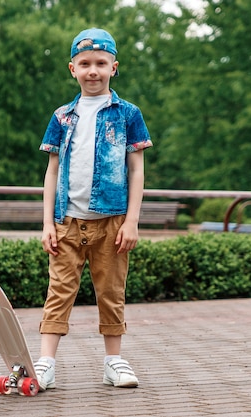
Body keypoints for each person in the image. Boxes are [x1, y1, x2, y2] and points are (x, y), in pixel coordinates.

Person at [34, 28, 153, 390]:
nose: (93, 71)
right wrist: (48, 223)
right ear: (72, 68)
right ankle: (45, 363)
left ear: (114, 67)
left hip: (112, 225)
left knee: (112, 294)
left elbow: (136, 169)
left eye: (101, 63)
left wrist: (131, 221)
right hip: (68, 223)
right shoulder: (62, 116)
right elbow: (52, 172)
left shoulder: (128, 114)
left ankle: (113, 361)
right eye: (84, 64)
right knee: (59, 292)